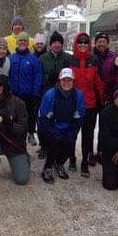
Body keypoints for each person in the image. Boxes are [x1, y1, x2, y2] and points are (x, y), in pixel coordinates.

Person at [38, 68, 85, 184]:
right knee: (54, 143)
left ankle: (59, 164)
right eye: (64, 80)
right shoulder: (50, 94)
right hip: (52, 126)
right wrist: (52, 131)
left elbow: (80, 115)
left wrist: (72, 131)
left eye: (69, 80)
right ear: (59, 81)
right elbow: (43, 115)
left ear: (73, 81)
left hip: (69, 126)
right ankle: (47, 167)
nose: (66, 83)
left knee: (69, 144)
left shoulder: (78, 95)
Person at [69, 32, 105, 177]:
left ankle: (85, 161)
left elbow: (99, 83)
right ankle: (71, 158)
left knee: (88, 135)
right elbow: (64, 81)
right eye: (80, 43)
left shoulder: (94, 60)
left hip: (90, 105)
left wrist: (104, 100)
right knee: (71, 133)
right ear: (76, 44)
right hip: (73, 104)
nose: (83, 45)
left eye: (85, 43)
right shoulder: (69, 60)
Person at [0, 74, 30, 185]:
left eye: (1, 84)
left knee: (22, 180)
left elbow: (23, 128)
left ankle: (24, 159)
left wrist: (9, 124)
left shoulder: (19, 103)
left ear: (6, 86)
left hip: (14, 144)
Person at [38, 31, 73, 159]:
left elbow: (72, 76)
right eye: (54, 42)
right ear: (50, 44)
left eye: (59, 43)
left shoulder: (68, 58)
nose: (57, 45)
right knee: (44, 120)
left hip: (64, 95)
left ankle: (58, 145)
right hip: (46, 93)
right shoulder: (43, 58)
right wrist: (48, 77)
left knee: (60, 120)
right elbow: (38, 76)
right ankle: (44, 145)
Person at [8, 31, 42, 146]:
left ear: (27, 43)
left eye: (24, 41)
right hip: (14, 93)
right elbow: (6, 74)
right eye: (20, 41)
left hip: (28, 93)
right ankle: (15, 135)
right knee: (14, 114)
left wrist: (35, 92)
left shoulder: (33, 59)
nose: (22, 42)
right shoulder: (11, 58)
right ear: (17, 43)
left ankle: (31, 133)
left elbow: (38, 76)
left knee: (30, 115)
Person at [92, 32, 117, 166]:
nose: (101, 44)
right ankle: (89, 152)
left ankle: (101, 151)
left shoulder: (113, 57)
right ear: (95, 43)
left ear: (107, 43)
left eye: (104, 41)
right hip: (91, 95)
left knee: (105, 126)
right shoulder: (91, 56)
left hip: (106, 97)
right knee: (89, 127)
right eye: (99, 41)